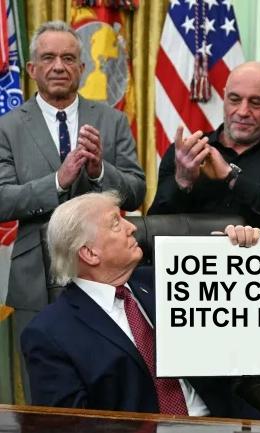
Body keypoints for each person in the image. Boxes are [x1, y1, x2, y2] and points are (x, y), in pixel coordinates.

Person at [21, 191, 260, 416]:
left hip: (221, 421)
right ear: (90, 253)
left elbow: (244, 320)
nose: (132, 228)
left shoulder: (171, 279)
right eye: (116, 223)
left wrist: (231, 258)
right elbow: (70, 425)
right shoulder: (48, 333)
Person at [0, 20, 145, 376]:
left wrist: (99, 171)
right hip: (34, 278)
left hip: (106, 275)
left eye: (68, 58)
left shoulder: (112, 120)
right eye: (48, 58)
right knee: (44, 384)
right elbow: (2, 200)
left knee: (109, 377)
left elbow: (137, 191)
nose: (59, 66)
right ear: (32, 69)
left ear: (82, 67)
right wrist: (56, 182)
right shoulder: (7, 127)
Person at [149, 61, 260, 234]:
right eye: (234, 100)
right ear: (224, 97)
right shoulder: (187, 153)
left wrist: (231, 177)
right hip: (197, 252)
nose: (242, 112)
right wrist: (182, 181)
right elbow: (155, 226)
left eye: (256, 103)